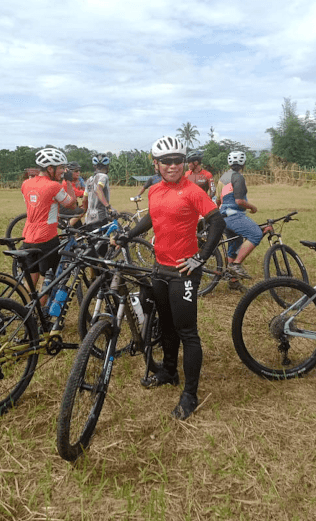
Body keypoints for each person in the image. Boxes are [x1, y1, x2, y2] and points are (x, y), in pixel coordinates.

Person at [116, 135, 225, 420]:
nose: (173, 166)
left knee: (187, 332)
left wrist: (201, 256)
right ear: (157, 163)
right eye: (167, 161)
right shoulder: (154, 190)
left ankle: (190, 394)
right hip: (159, 268)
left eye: (178, 160)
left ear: (184, 162)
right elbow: (151, 218)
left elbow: (217, 221)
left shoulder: (192, 191)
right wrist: (127, 235)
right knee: (166, 326)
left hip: (183, 272)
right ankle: (168, 371)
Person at [21, 147, 76, 299]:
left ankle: (26, 311)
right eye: (61, 168)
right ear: (50, 168)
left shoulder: (26, 184)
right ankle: (42, 315)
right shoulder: (53, 186)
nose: (63, 171)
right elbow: (71, 203)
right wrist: (69, 182)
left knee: (31, 280)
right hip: (47, 239)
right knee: (48, 280)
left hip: (27, 237)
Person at [216, 151, 270, 290]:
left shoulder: (222, 178)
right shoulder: (238, 177)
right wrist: (252, 207)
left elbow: (217, 200)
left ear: (229, 163)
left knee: (235, 244)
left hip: (223, 217)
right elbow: (239, 201)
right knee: (256, 234)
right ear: (243, 164)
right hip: (234, 215)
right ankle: (236, 265)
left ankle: (233, 281)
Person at [81, 154, 116, 227]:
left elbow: (84, 200)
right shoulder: (103, 176)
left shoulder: (89, 180)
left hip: (89, 218)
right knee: (104, 238)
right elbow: (98, 189)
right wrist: (108, 206)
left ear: (94, 166)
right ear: (107, 166)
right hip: (100, 217)